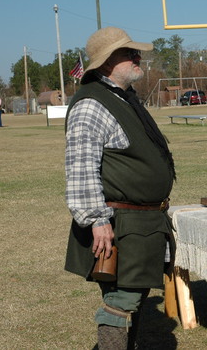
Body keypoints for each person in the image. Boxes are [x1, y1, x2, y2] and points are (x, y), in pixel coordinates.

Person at [64, 27, 176, 349]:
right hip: (119, 224)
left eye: (135, 51)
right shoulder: (92, 104)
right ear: (105, 62)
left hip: (143, 223)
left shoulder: (122, 98)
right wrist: (97, 221)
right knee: (121, 300)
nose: (136, 56)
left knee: (135, 296)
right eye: (128, 53)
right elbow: (81, 168)